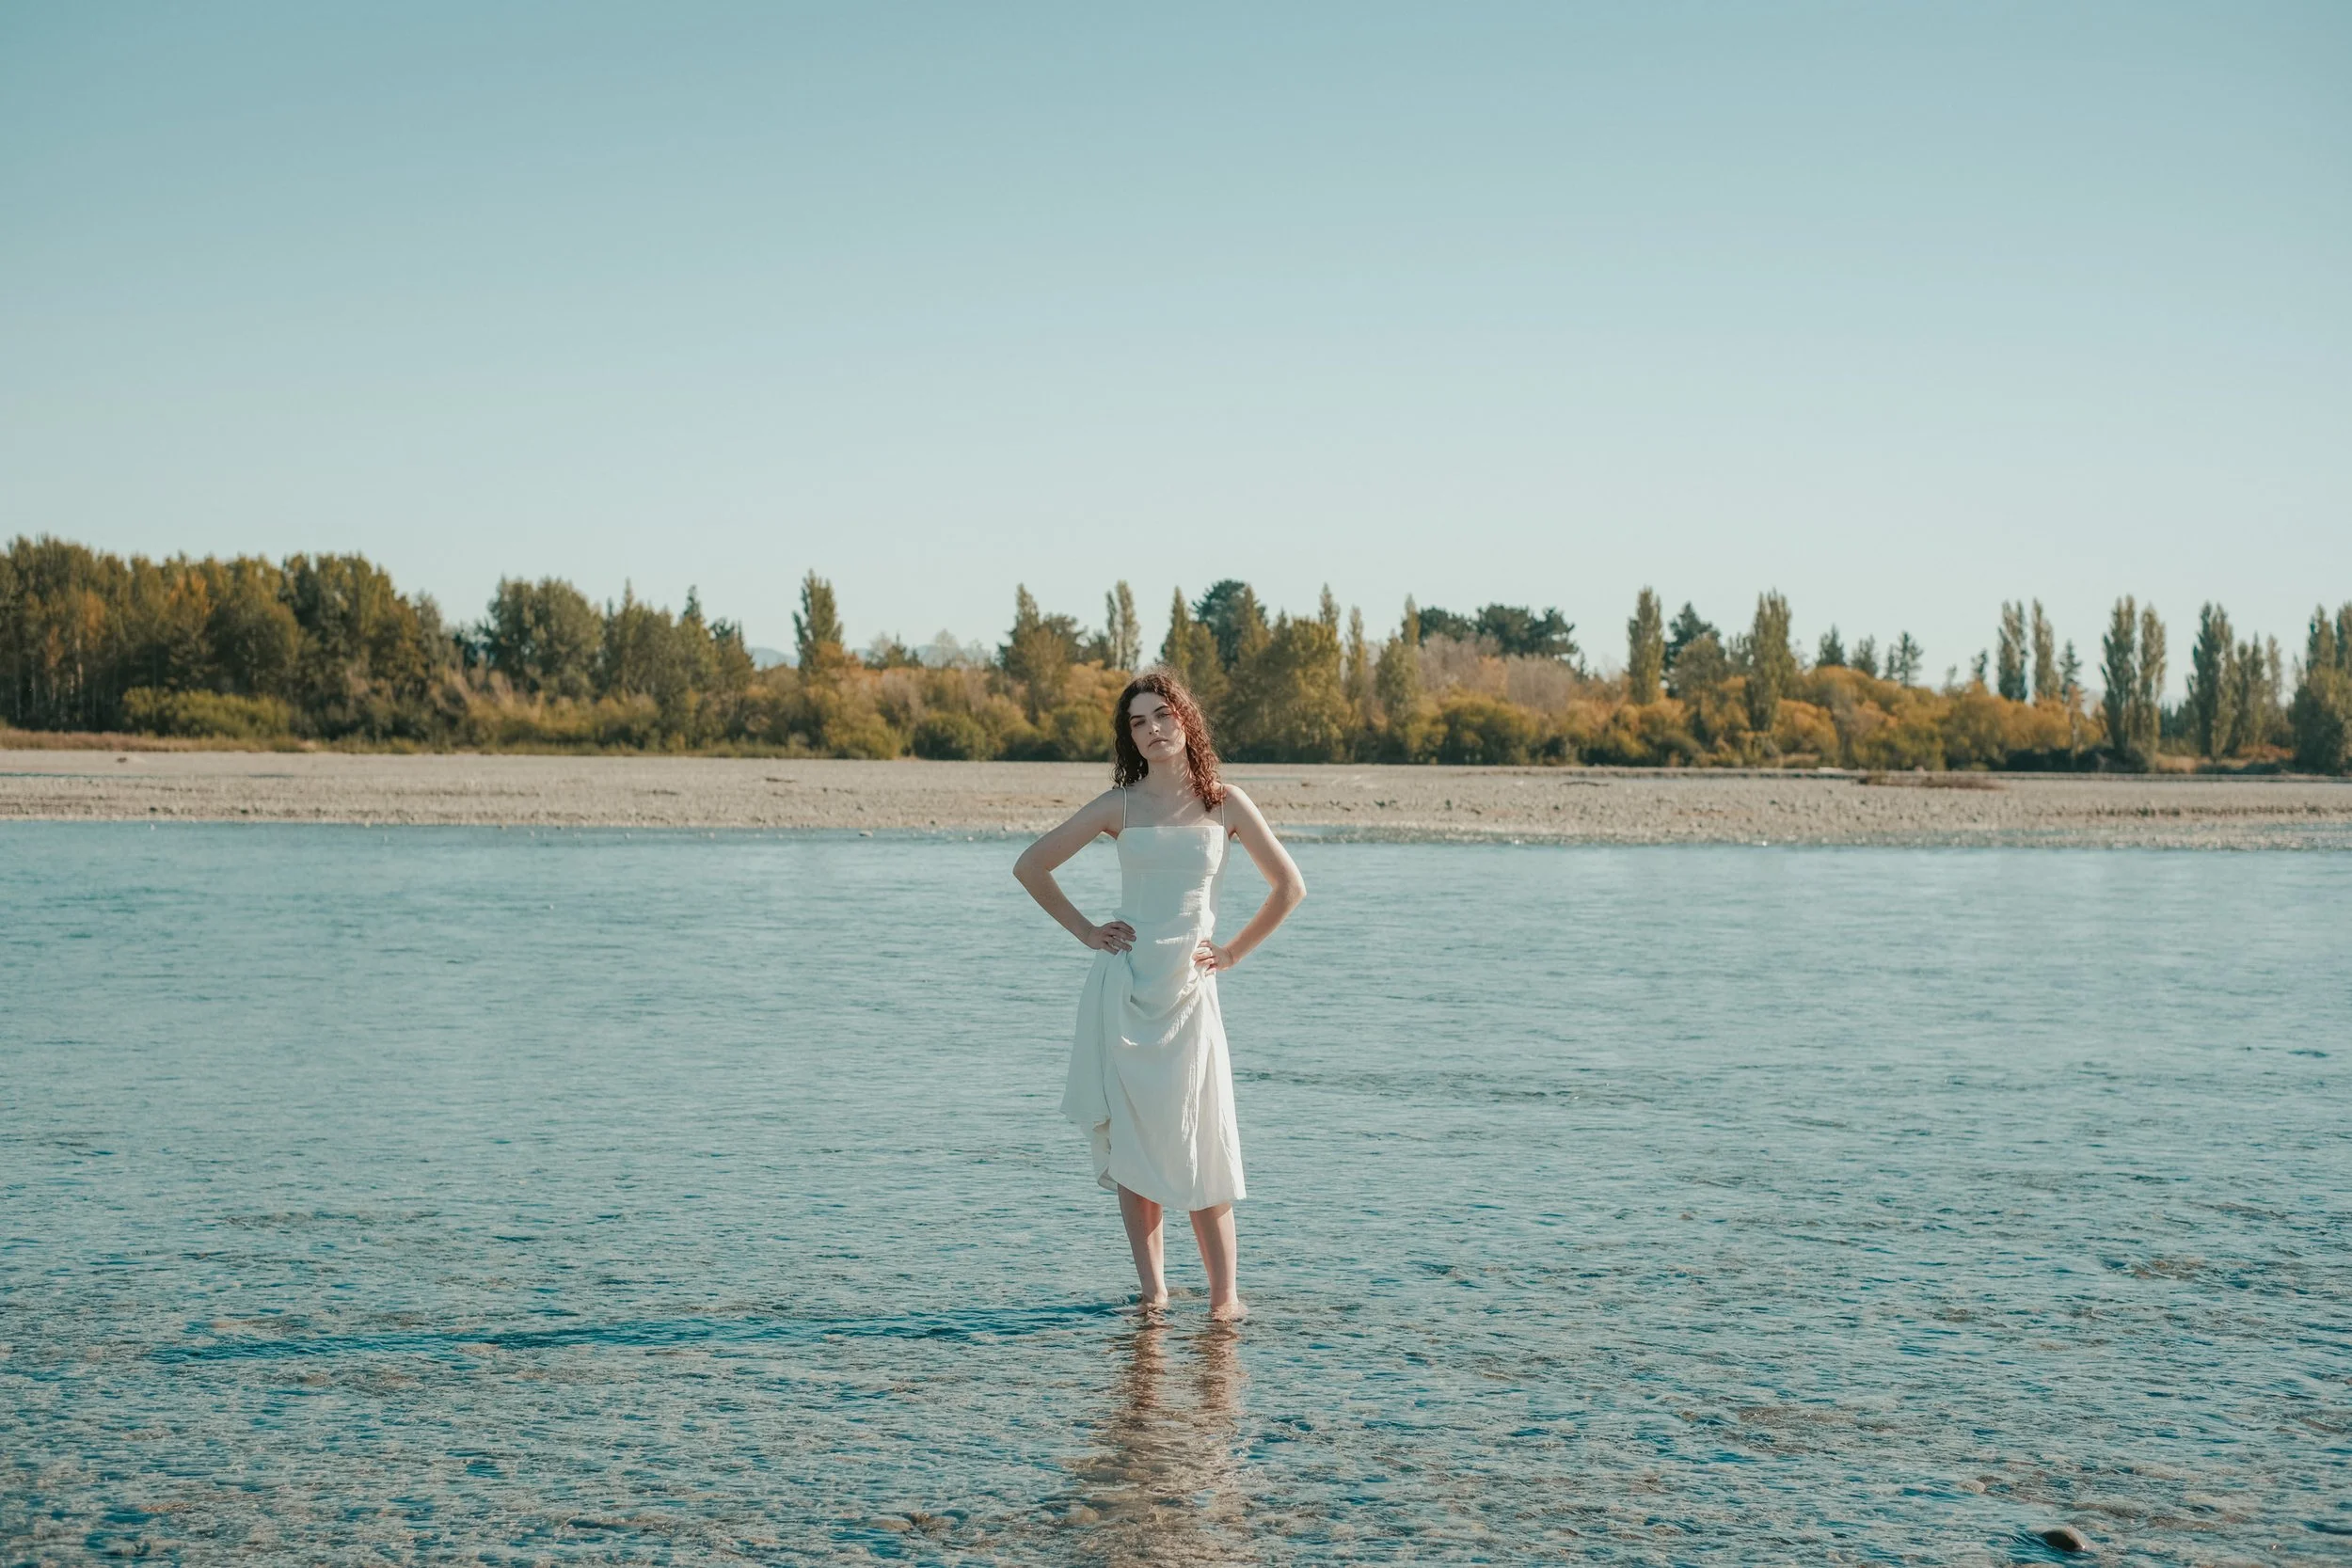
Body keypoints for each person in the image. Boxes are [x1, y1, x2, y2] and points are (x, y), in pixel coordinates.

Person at [1013, 670, 1305, 1322]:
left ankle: (1225, 1300)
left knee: (1203, 1140)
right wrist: (1089, 930)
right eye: (1137, 722)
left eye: (1161, 715)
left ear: (1186, 719)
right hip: (1124, 991)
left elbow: (1289, 886)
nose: (1151, 729)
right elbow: (1031, 864)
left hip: (1190, 994)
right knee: (1134, 1147)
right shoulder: (1119, 805)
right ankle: (1154, 1295)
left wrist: (1230, 951)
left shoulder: (1225, 802)